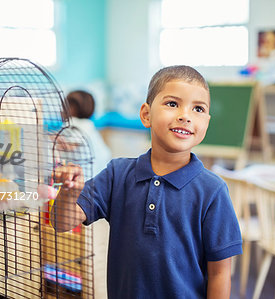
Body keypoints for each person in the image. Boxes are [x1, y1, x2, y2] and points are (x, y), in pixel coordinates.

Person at [50, 65, 242, 298]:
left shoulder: (213, 191)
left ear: (206, 123)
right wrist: (69, 193)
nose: (185, 115)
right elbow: (61, 222)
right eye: (172, 104)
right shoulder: (116, 174)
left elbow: (221, 273)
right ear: (146, 114)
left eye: (198, 108)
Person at [65, 90, 111, 176]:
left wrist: (50, 138)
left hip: (88, 176)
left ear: (72, 108)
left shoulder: (75, 124)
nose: (62, 110)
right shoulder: (88, 124)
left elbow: (69, 146)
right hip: (100, 171)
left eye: (65, 106)